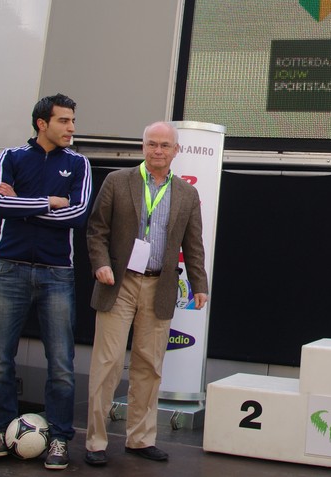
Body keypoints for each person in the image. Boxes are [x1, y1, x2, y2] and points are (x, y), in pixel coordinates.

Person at [83, 121, 208, 467]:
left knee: (149, 366)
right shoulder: (117, 181)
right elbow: (96, 230)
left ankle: (140, 439)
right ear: (143, 147)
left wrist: (199, 284)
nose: (158, 151)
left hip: (159, 286)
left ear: (175, 151)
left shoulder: (186, 194)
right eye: (152, 144)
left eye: (165, 145)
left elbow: (193, 244)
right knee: (107, 364)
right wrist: (101, 264)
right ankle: (95, 441)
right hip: (118, 284)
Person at [0, 93, 92, 470]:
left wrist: (24, 205)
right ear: (42, 123)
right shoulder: (10, 157)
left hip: (56, 272)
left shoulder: (78, 163)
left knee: (61, 362)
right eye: (64, 120)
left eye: (73, 120)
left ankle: (59, 437)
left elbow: (77, 214)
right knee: (0, 358)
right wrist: (50, 201)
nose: (72, 128)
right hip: (8, 268)